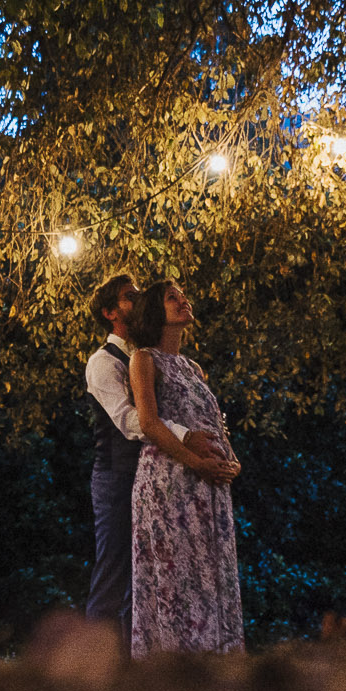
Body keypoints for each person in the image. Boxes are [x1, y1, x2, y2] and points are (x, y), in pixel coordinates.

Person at [81, 274, 224, 644]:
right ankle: (93, 665)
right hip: (118, 474)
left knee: (149, 573)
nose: (140, 300)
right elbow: (131, 421)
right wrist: (185, 438)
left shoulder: (155, 357)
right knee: (114, 569)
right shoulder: (104, 362)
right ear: (110, 312)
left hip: (160, 471)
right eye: (130, 297)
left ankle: (139, 661)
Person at [126, 277, 245, 656]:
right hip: (170, 483)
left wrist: (231, 461)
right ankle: (175, 674)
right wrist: (197, 463)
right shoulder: (143, 359)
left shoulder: (193, 368)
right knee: (178, 579)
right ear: (154, 313)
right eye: (171, 298)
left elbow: (212, 420)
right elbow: (149, 423)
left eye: (182, 295)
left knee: (211, 574)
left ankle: (218, 666)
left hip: (209, 488)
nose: (182, 301)